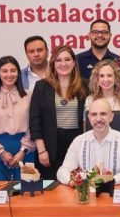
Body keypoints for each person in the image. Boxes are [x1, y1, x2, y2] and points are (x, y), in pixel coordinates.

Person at [29, 45, 87, 180]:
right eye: (59, 60)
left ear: (74, 62)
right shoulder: (42, 86)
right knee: (50, 186)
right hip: (50, 147)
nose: (63, 64)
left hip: (77, 142)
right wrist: (41, 150)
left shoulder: (85, 85)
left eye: (67, 59)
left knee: (76, 184)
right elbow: (35, 121)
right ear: (53, 63)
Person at [56, 98, 120, 184]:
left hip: (114, 189)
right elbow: (62, 171)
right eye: (94, 114)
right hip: (87, 190)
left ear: (111, 117)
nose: (98, 119)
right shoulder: (78, 141)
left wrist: (108, 181)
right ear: (89, 118)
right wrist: (72, 182)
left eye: (103, 114)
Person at [0, 56, 35, 180]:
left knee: (25, 190)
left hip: (25, 151)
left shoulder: (28, 95)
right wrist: (1, 153)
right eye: (4, 71)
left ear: (18, 73)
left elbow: (33, 125)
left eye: (13, 70)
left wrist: (23, 151)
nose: (9, 75)